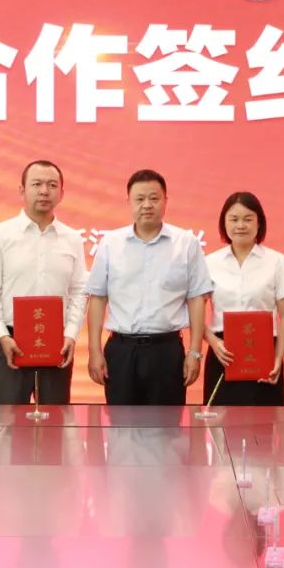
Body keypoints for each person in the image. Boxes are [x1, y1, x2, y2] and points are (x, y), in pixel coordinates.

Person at [85, 169, 213, 405]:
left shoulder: (186, 243)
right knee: (121, 424)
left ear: (165, 201)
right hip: (121, 351)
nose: (147, 205)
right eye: (140, 199)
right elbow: (98, 299)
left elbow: (196, 299)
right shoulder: (110, 243)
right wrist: (94, 351)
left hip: (166, 351)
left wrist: (195, 352)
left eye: (154, 198)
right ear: (129, 202)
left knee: (167, 424)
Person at [0, 160, 88, 404]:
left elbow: (80, 291)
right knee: (7, 421)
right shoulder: (0, 235)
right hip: (10, 341)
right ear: (22, 190)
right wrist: (2, 336)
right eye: (37, 184)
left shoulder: (72, 238)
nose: (44, 191)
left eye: (52, 185)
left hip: (57, 343)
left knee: (55, 421)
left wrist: (70, 334)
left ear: (61, 193)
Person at [203, 191, 284, 405]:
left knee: (265, 419)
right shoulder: (210, 262)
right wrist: (213, 342)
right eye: (234, 219)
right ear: (224, 223)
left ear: (259, 223)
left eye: (248, 219)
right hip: (223, 353)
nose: (240, 225)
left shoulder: (276, 261)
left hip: (264, 353)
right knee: (220, 419)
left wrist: (278, 357)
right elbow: (195, 312)